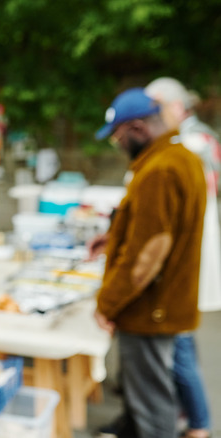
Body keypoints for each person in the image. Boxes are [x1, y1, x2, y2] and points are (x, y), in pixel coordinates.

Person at [93, 87, 206, 438]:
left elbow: (147, 258)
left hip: (151, 309)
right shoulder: (177, 157)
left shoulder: (159, 170)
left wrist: (107, 304)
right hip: (163, 303)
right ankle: (131, 427)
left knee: (153, 399)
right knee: (144, 388)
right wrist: (113, 238)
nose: (119, 146)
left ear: (138, 129)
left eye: (118, 139)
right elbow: (157, 228)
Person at [144, 77, 218, 438]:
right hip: (189, 252)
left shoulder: (191, 143)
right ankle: (192, 419)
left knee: (180, 343)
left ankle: (199, 424)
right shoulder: (192, 140)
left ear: (172, 106)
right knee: (180, 342)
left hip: (186, 257)